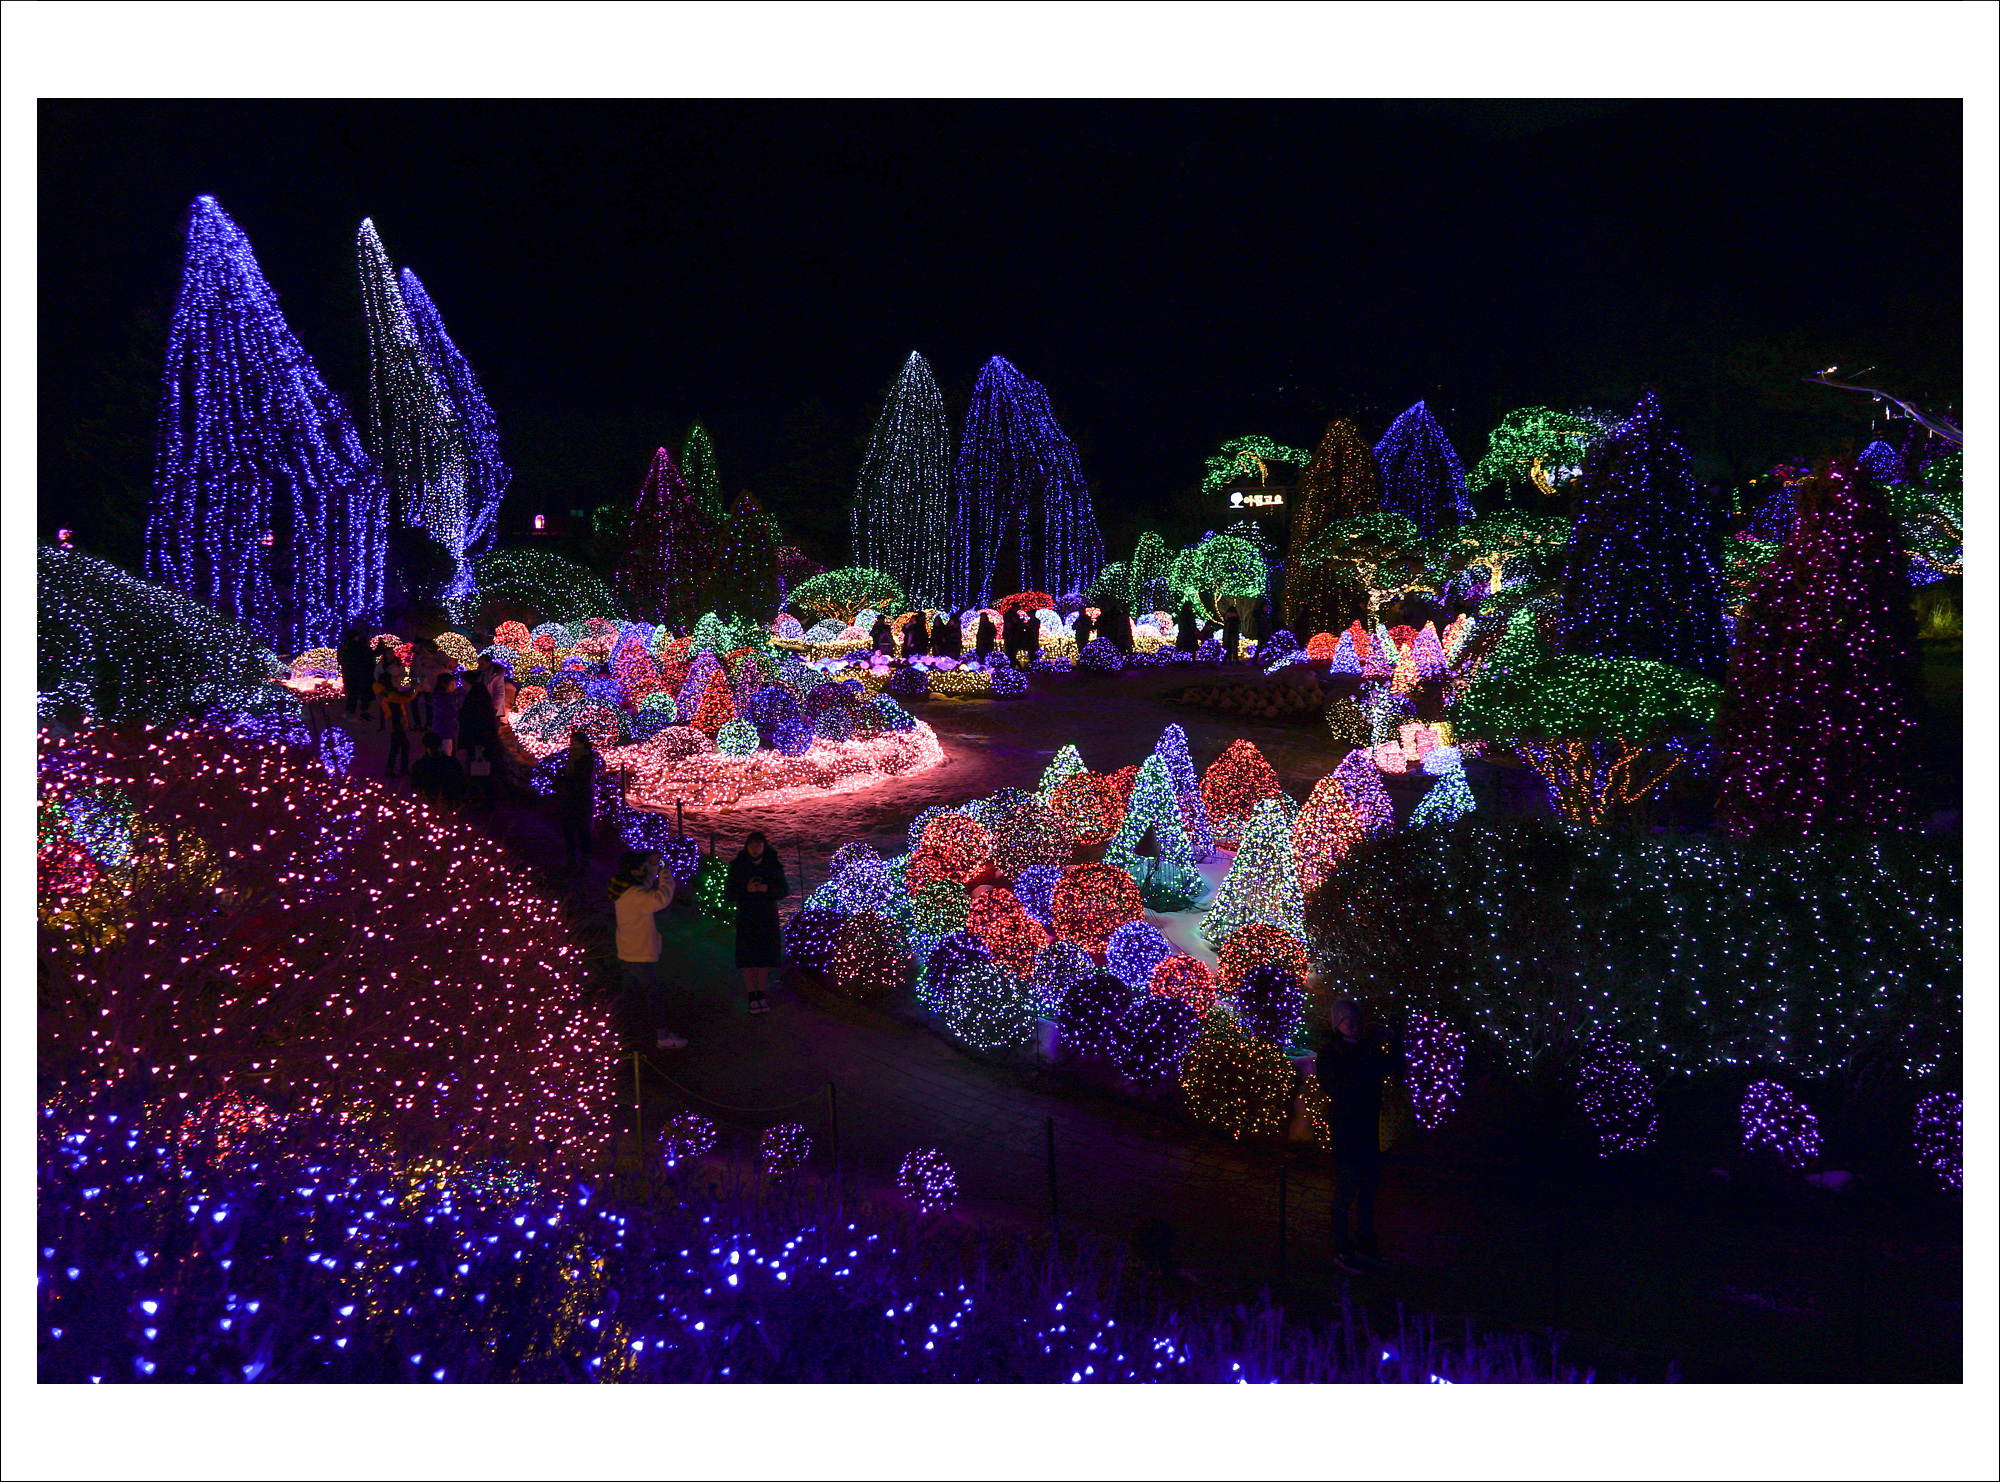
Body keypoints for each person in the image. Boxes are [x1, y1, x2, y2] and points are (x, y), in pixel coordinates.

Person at [1316, 999, 1399, 1274]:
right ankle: (1342, 1248)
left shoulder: (1367, 1049)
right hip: (1347, 1133)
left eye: (1357, 1021)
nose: (1354, 1026)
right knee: (1346, 1191)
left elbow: (1393, 1068)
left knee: (1368, 1192)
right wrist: (1367, 1053)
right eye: (1348, 1021)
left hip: (1369, 1131)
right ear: (1337, 1024)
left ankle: (1365, 1244)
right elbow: (1340, 1086)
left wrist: (1394, 1039)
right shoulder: (1330, 1054)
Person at [611, 849, 687, 1051]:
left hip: (627, 950)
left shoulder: (623, 887)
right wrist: (665, 873)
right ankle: (662, 1037)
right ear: (636, 871)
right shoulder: (636, 896)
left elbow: (643, 884)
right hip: (640, 953)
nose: (645, 870)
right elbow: (662, 897)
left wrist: (652, 866)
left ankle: (622, 1031)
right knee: (654, 996)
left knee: (629, 994)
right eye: (643, 867)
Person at [723, 830, 789, 1015]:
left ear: (764, 846)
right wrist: (747, 890)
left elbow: (784, 890)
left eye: (759, 844)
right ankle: (751, 996)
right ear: (747, 846)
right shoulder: (738, 865)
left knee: (763, 959)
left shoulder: (773, 865)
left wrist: (768, 889)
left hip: (766, 918)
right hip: (747, 918)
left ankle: (761, 995)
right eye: (752, 844)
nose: (756, 848)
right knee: (748, 959)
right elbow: (729, 893)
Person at [457, 679, 501, 809]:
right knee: (487, 771)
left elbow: (467, 723)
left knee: (477, 771)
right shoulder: (486, 707)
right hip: (486, 743)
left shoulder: (472, 705)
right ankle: (488, 797)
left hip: (476, 743)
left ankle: (478, 797)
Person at [558, 728, 596, 874]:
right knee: (569, 832)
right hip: (569, 800)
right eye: (571, 741)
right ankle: (571, 862)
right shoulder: (571, 758)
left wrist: (567, 780)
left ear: (582, 743)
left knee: (583, 832)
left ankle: (584, 864)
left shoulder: (586, 759)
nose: (571, 744)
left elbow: (583, 780)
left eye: (574, 741)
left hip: (582, 801)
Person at [409, 730, 467, 806]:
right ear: (441, 745)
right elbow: (462, 784)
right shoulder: (452, 762)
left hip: (428, 803)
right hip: (449, 802)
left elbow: (414, 787)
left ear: (424, 746)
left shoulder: (419, 765)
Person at [337, 629, 374, 720]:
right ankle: (355, 713)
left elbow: (340, 660)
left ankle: (350, 713)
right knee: (359, 694)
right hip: (359, 674)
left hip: (349, 673)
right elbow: (367, 656)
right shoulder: (357, 646)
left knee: (353, 694)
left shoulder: (343, 647)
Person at [429, 671, 463, 756]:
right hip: (446, 727)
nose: (454, 687)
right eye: (452, 684)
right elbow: (452, 712)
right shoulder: (445, 697)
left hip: (443, 726)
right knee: (446, 749)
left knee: (447, 747)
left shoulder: (439, 695)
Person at [383, 692, 411, 779]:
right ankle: (397, 768)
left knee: (399, 745)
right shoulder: (391, 695)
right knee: (400, 745)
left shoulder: (392, 694)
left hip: (396, 720)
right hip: (394, 721)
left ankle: (395, 768)